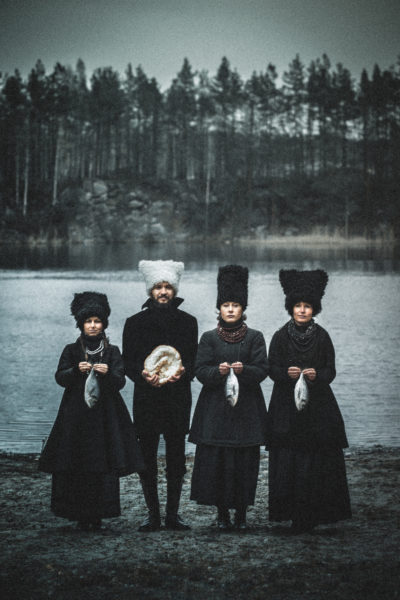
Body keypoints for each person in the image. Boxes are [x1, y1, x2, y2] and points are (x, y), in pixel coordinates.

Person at [38, 291, 144, 530]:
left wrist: (109, 374)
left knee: (101, 463)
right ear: (81, 324)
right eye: (88, 321)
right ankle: (78, 515)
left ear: (103, 323)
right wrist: (76, 370)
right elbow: (60, 378)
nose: (93, 326)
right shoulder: (71, 350)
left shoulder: (113, 351)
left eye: (97, 321)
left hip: (105, 417)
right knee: (75, 461)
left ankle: (97, 515)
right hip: (75, 417)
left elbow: (120, 381)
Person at [267, 269, 352, 534]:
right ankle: (292, 514)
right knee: (289, 459)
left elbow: (331, 371)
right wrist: (285, 374)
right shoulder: (280, 336)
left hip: (319, 409)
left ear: (314, 309)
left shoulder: (323, 336)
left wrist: (318, 376)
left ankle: (316, 513)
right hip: (286, 407)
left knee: (317, 459)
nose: (302, 311)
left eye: (307, 306)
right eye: (298, 306)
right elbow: (271, 368)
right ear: (290, 308)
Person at [189, 265, 268, 530]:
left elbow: (262, 371)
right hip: (214, 412)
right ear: (219, 309)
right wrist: (217, 371)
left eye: (235, 305)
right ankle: (222, 516)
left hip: (247, 412)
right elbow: (200, 371)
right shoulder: (208, 338)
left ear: (243, 309)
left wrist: (244, 371)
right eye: (226, 305)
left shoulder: (256, 337)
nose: (231, 309)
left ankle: (242, 516)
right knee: (218, 462)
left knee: (244, 462)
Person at [122, 260, 198, 531]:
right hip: (146, 398)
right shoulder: (134, 323)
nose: (163, 291)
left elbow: (193, 360)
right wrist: (141, 375)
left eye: (168, 287)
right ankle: (152, 515)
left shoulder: (189, 323)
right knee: (147, 456)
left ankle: (172, 515)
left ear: (174, 290)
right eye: (158, 287)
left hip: (177, 398)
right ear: (150, 290)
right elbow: (128, 363)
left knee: (177, 457)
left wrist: (184, 372)